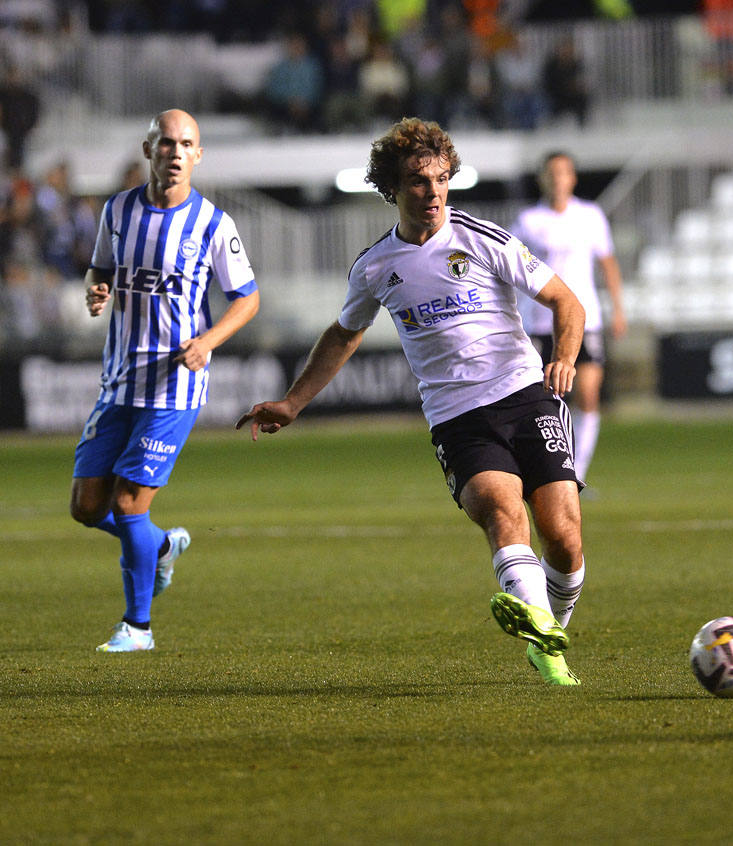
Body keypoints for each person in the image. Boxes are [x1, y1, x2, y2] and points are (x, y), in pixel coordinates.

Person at [237, 118, 589, 686]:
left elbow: (566, 302)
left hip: (528, 394)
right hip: (458, 417)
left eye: (442, 179)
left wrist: (566, 356)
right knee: (503, 511)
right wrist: (294, 402)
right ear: (392, 189)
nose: (434, 193)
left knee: (564, 535)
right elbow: (344, 333)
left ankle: (550, 622)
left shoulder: (483, 239)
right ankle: (546, 643)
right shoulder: (376, 266)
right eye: (420, 183)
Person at [70, 109, 260, 652]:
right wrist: (96, 291)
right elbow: (100, 270)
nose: (176, 152)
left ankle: (138, 627)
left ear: (197, 156)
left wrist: (207, 342)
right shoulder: (118, 211)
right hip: (119, 380)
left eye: (187, 144)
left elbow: (247, 298)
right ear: (148, 149)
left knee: (130, 503)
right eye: (166, 143)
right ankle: (158, 548)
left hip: (174, 386)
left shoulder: (212, 225)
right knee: (88, 507)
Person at [512, 151, 626, 484]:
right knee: (544, 401)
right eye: (552, 172)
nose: (558, 178)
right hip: (539, 322)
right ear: (542, 178)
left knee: (587, 395)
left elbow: (608, 263)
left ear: (573, 177)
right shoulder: (528, 221)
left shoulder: (590, 216)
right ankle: (550, 469)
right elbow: (512, 270)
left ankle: (578, 471)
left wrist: (618, 308)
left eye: (564, 172)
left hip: (584, 320)